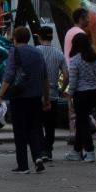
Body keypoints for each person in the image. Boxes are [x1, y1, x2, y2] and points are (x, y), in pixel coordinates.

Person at [0, 27, 50, 174]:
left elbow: (9, 75)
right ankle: (38, 157)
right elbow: (44, 77)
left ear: (15, 38)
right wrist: (46, 98)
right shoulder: (38, 52)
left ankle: (23, 165)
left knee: (20, 132)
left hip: (19, 97)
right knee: (33, 129)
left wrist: (0, 95)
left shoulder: (14, 51)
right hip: (36, 97)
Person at [65, 32, 96, 163]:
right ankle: (76, 151)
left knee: (83, 122)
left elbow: (73, 82)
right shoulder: (95, 58)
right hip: (94, 92)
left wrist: (69, 97)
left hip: (81, 94)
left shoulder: (75, 60)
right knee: (81, 122)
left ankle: (89, 151)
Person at [36, 26, 68, 162]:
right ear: (51, 37)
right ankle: (47, 151)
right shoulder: (59, 54)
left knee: (37, 124)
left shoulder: (35, 52)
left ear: (39, 37)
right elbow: (67, 75)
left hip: (37, 94)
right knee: (50, 126)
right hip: (53, 94)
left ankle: (39, 150)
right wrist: (62, 88)